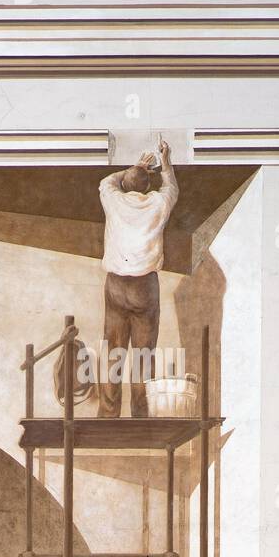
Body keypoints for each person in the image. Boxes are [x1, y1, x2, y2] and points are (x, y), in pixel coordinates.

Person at [96, 136, 178, 417]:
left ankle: (108, 413)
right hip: (145, 285)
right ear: (147, 187)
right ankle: (140, 413)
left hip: (117, 284)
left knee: (113, 352)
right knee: (144, 354)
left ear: (125, 185)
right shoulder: (157, 204)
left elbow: (106, 181)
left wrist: (134, 167)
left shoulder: (113, 199)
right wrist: (164, 162)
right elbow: (171, 188)